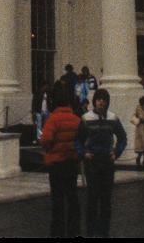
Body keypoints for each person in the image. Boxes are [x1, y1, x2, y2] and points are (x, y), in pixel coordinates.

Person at [76, 88, 126, 239]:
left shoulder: (113, 118)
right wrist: (83, 153)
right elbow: (78, 139)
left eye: (104, 100)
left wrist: (116, 152)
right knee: (92, 198)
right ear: (94, 101)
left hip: (107, 162)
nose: (101, 102)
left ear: (107, 102)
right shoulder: (86, 118)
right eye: (99, 99)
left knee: (106, 200)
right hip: (92, 162)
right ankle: (90, 232)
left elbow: (122, 137)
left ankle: (104, 232)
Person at [39, 81, 82, 237]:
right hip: (71, 162)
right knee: (72, 197)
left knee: (57, 200)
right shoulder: (76, 119)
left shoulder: (53, 119)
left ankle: (58, 231)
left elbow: (45, 140)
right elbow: (81, 140)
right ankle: (74, 230)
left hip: (56, 163)